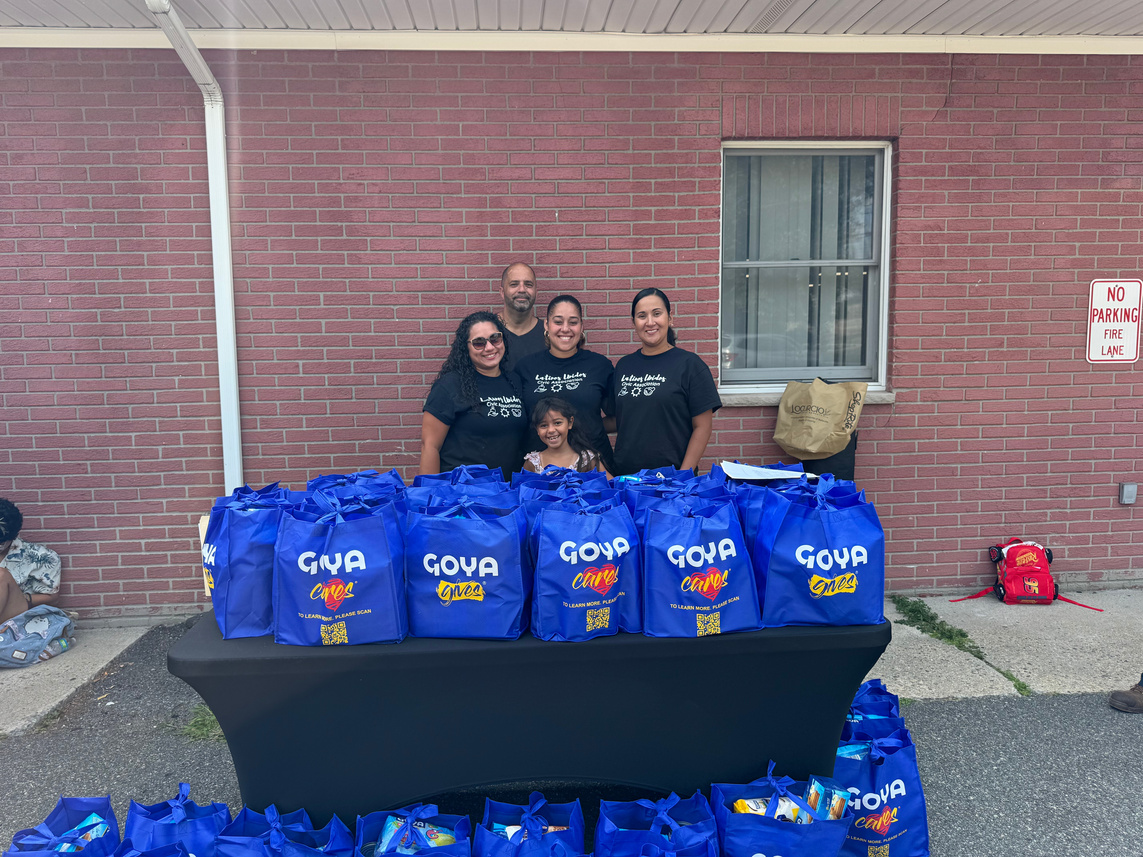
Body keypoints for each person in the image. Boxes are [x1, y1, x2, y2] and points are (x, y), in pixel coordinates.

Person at [612, 288, 722, 475]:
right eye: (642, 316)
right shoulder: (624, 366)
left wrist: (683, 475)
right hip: (627, 478)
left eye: (657, 314)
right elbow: (622, 418)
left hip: (673, 479)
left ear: (670, 318)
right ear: (634, 322)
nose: (650, 322)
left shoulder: (690, 365)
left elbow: (703, 427)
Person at [420, 311, 529, 482]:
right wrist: (430, 492)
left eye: (495, 338)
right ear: (466, 348)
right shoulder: (450, 385)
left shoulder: (514, 381)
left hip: (507, 491)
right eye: (479, 343)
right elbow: (430, 446)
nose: (490, 347)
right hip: (463, 491)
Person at [514, 294, 617, 474]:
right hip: (541, 472)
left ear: (581, 326)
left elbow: (617, 418)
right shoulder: (525, 367)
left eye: (573, 322)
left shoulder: (599, 365)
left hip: (592, 469)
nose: (565, 328)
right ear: (546, 325)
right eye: (558, 322)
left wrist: (588, 426)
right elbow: (518, 420)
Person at [0, 498, 62, 624]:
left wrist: (19, 598)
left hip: (16, 612)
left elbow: (52, 597)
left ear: (13, 535)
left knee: (1, 575)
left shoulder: (41, 557)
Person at [522, 397, 611, 477]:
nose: (551, 430)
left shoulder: (587, 459)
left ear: (570, 423)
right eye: (544, 425)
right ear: (537, 429)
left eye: (557, 423)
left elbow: (611, 485)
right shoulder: (532, 463)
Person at [497, 262, 545, 372]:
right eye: (514, 284)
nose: (522, 289)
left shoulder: (549, 334)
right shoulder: (487, 332)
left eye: (528, 284)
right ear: (502, 292)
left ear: (536, 292)